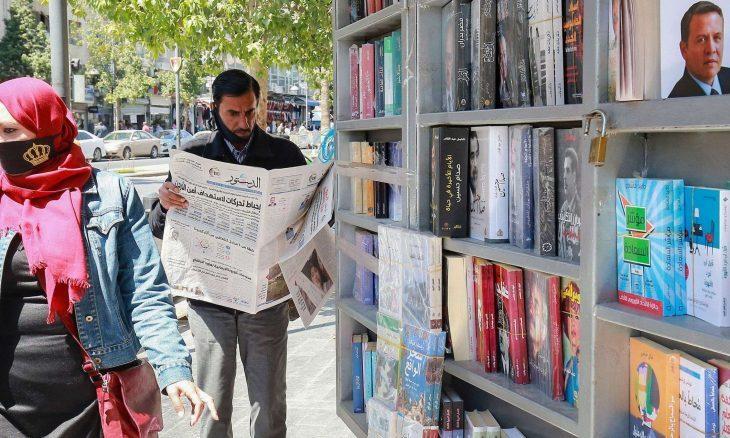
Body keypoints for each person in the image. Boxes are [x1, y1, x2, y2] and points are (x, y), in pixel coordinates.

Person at [0, 78, 218, 436]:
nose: (3, 143)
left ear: (47, 128)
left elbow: (145, 291)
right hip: (7, 409)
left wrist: (173, 369)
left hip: (88, 397)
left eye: (11, 130)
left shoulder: (109, 193)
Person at [149, 69, 306, 438]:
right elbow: (158, 228)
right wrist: (163, 203)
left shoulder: (284, 154)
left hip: (264, 300)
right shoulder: (193, 155)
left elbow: (314, 220)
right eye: (233, 114)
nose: (243, 122)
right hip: (210, 298)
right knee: (212, 401)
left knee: (269, 404)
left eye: (250, 112)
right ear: (215, 109)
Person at [669, 1, 730, 97]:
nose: (711, 49)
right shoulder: (676, 103)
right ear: (684, 50)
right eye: (701, 40)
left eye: (717, 37)